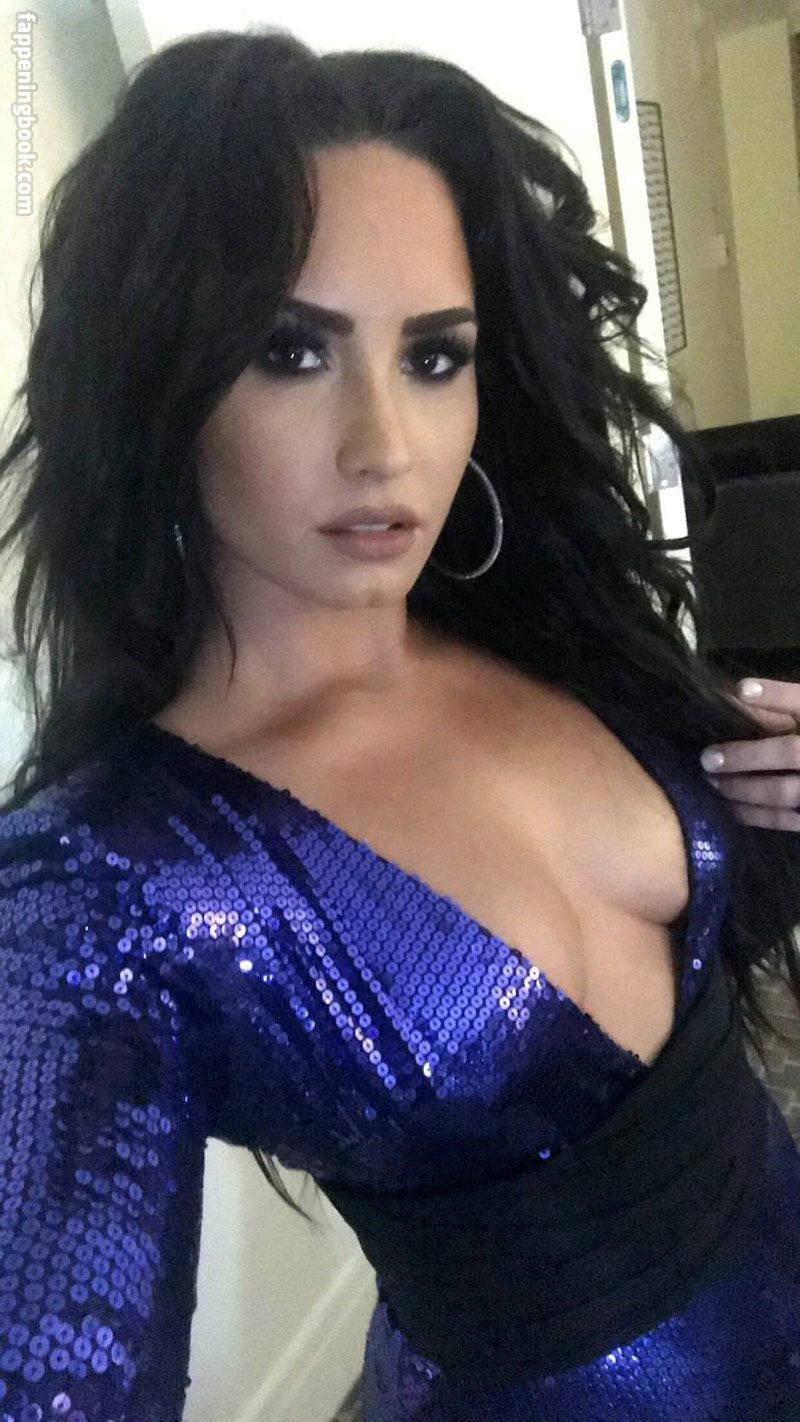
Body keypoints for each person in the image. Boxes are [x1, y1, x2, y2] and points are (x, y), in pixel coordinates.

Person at [1, 26, 799, 1422]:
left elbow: (702, 976)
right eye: (290, 351)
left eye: (434, 357)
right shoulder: (101, 887)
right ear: (158, 375)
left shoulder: (550, 641)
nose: (385, 446)